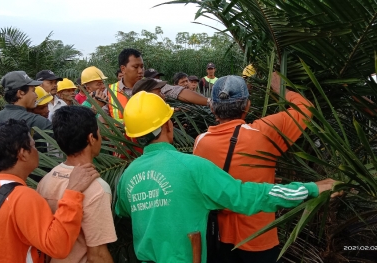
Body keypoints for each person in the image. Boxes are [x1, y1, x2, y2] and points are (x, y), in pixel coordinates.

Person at [115, 91, 339, 263]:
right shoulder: (191, 167)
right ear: (168, 125)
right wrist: (310, 188)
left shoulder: (128, 175)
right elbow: (248, 195)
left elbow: (122, 209)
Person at [193, 73, 313, 262]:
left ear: (212, 107)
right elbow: (305, 109)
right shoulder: (264, 133)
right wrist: (281, 88)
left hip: (221, 238)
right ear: (247, 105)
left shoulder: (201, 142)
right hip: (259, 236)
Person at [0, 119, 100, 262]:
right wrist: (73, 191)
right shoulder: (22, 197)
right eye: (33, 146)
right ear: (23, 154)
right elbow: (57, 246)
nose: (36, 150)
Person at [37, 106, 117, 263]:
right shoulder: (96, 189)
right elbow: (97, 255)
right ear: (91, 138)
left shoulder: (46, 180)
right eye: (99, 132)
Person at [108, 48, 210, 123]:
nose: (140, 71)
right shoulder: (110, 91)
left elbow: (179, 92)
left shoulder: (152, 84)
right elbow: (102, 118)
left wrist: (210, 102)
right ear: (123, 69)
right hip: (123, 150)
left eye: (142, 67)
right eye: (135, 67)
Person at [0, 71, 52, 153]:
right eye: (33, 91)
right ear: (20, 93)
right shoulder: (35, 120)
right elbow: (67, 138)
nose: (35, 95)